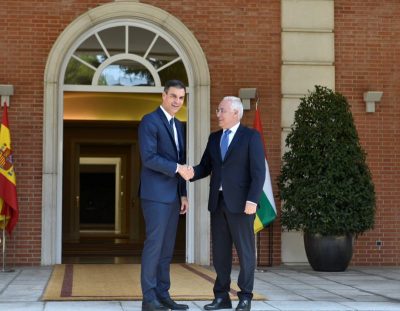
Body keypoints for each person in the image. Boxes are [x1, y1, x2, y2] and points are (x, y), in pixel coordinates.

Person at [190, 96, 266, 311]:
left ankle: (245, 297)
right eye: (217, 110)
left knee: (245, 252)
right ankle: (221, 297)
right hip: (218, 203)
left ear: (236, 113)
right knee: (221, 254)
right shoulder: (214, 138)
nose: (218, 114)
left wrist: (253, 200)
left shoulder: (251, 137)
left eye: (222, 110)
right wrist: (190, 173)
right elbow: (205, 166)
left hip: (243, 204)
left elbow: (258, 173)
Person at [138, 80, 193, 311]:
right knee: (154, 245)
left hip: (173, 196)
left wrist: (183, 194)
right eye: (173, 96)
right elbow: (148, 157)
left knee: (167, 248)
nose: (177, 102)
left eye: (181, 98)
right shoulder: (150, 121)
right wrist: (178, 169)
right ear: (163, 96)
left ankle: (163, 294)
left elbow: (179, 160)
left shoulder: (179, 124)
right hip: (155, 195)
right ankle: (148, 299)